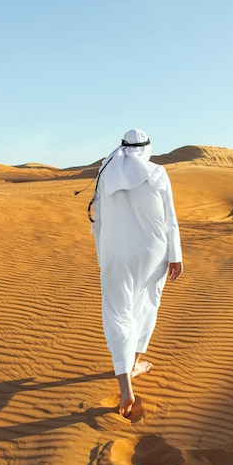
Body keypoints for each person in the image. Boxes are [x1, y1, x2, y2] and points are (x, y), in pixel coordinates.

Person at [91, 129, 183, 418]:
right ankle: (134, 362)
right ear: (146, 148)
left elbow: (99, 221)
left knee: (118, 313)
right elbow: (170, 218)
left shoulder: (106, 173)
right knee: (146, 306)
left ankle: (126, 385)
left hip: (117, 253)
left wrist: (103, 257)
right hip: (153, 253)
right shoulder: (157, 173)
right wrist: (176, 256)